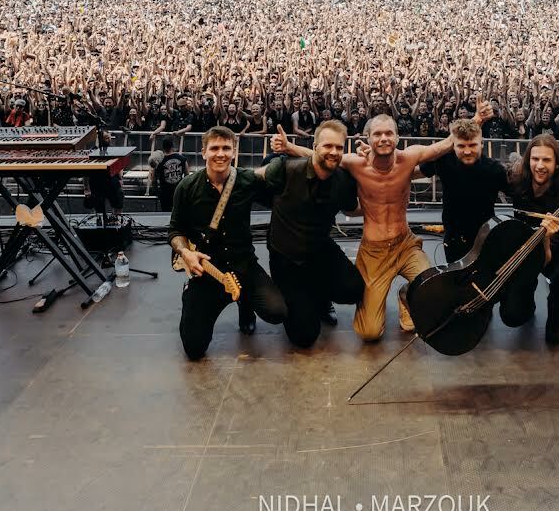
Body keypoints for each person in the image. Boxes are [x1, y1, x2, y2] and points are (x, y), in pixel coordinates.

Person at [276, 113, 455, 342]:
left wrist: (478, 119)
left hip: (406, 244)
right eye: (378, 134)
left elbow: (445, 145)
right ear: (368, 138)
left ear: (398, 137)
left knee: (433, 289)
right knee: (369, 333)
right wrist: (290, 147)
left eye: (389, 133)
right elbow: (320, 156)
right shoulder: (355, 163)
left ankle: (407, 296)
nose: (383, 138)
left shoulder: (409, 158)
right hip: (374, 252)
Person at [168, 125, 286, 359]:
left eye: (226, 148)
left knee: (277, 312)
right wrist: (185, 253)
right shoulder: (187, 187)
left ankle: (245, 305)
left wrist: (288, 151)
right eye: (214, 148)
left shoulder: (247, 180)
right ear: (203, 153)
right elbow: (175, 230)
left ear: (234, 151)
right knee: (194, 348)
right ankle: (192, 294)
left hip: (244, 265)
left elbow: (280, 180)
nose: (220, 153)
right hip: (207, 273)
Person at [261, 120, 364, 348]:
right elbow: (250, 184)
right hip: (286, 257)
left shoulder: (343, 181)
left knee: (353, 289)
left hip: (319, 249)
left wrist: (387, 201)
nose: (334, 152)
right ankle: (292, 296)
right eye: (328, 146)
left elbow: (351, 208)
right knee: (305, 337)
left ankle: (318, 296)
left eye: (339, 147)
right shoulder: (285, 169)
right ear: (315, 146)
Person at [499, 133, 559, 345]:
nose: (539, 165)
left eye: (547, 160)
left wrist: (546, 237)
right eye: (535, 159)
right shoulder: (517, 180)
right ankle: (527, 294)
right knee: (512, 316)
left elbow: (545, 260)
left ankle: (556, 311)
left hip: (552, 251)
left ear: (557, 165)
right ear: (527, 161)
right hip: (522, 248)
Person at [419, 116, 508, 262]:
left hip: (486, 237)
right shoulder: (443, 161)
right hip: (453, 237)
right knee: (457, 281)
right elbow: (415, 169)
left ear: (482, 144)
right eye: (461, 146)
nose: (467, 151)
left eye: (472, 145)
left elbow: (518, 193)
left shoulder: (495, 170)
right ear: (452, 146)